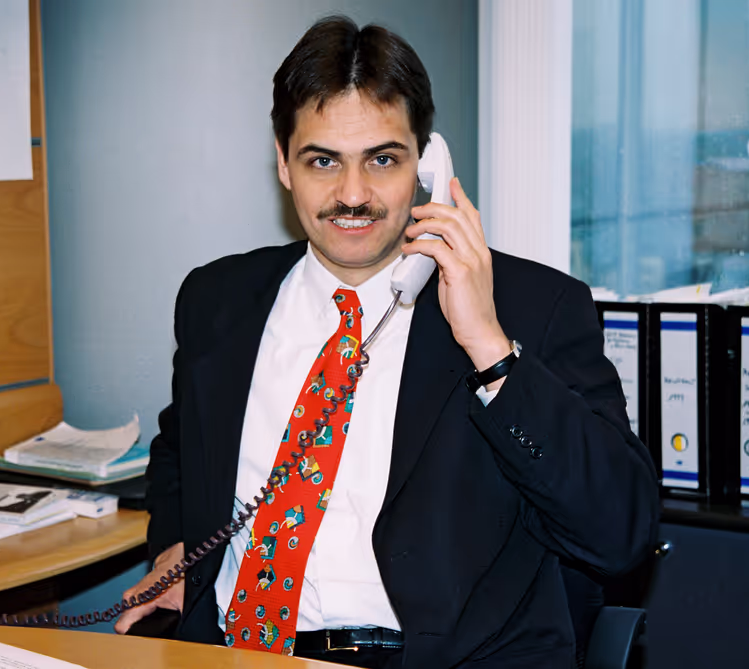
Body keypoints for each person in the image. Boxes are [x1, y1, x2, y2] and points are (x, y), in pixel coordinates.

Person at [115, 15, 659, 669]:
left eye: (382, 159)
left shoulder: (533, 308)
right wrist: (175, 544)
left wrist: (488, 344)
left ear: (427, 163)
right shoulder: (217, 301)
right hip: (239, 653)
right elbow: (180, 450)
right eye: (323, 161)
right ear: (283, 163)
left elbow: (620, 533)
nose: (352, 194)